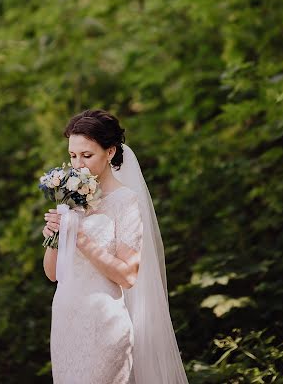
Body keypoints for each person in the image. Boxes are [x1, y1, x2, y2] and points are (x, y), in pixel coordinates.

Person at [43, 109, 189, 384]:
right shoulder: (71, 200)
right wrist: (54, 238)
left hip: (103, 324)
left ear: (110, 152)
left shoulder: (126, 201)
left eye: (87, 155)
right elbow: (52, 274)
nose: (78, 165)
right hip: (65, 319)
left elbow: (128, 275)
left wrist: (81, 240)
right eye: (73, 156)